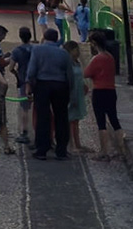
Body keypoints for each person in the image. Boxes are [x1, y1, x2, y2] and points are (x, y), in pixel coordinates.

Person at [25, 27, 72, 160]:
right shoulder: (64, 53)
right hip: (60, 85)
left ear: (44, 38)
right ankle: (61, 150)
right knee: (61, 117)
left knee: (43, 117)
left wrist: (28, 85)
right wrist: (70, 90)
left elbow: (32, 69)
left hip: (43, 84)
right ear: (57, 39)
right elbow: (69, 74)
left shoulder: (37, 50)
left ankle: (42, 149)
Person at [86, 34, 125, 161]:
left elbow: (86, 73)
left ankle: (104, 151)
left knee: (101, 122)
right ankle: (121, 149)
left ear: (94, 44)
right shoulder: (110, 57)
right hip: (111, 91)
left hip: (99, 91)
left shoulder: (97, 58)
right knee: (114, 119)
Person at [9, 26, 35, 145]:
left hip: (23, 80)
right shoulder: (35, 49)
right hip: (36, 80)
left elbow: (11, 68)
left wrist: (17, 75)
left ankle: (24, 132)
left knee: (24, 108)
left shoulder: (16, 51)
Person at [64, 40, 88, 154]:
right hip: (71, 93)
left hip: (78, 93)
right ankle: (71, 145)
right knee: (70, 120)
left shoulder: (76, 62)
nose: (78, 52)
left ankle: (78, 144)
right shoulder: (67, 64)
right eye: (76, 49)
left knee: (75, 120)